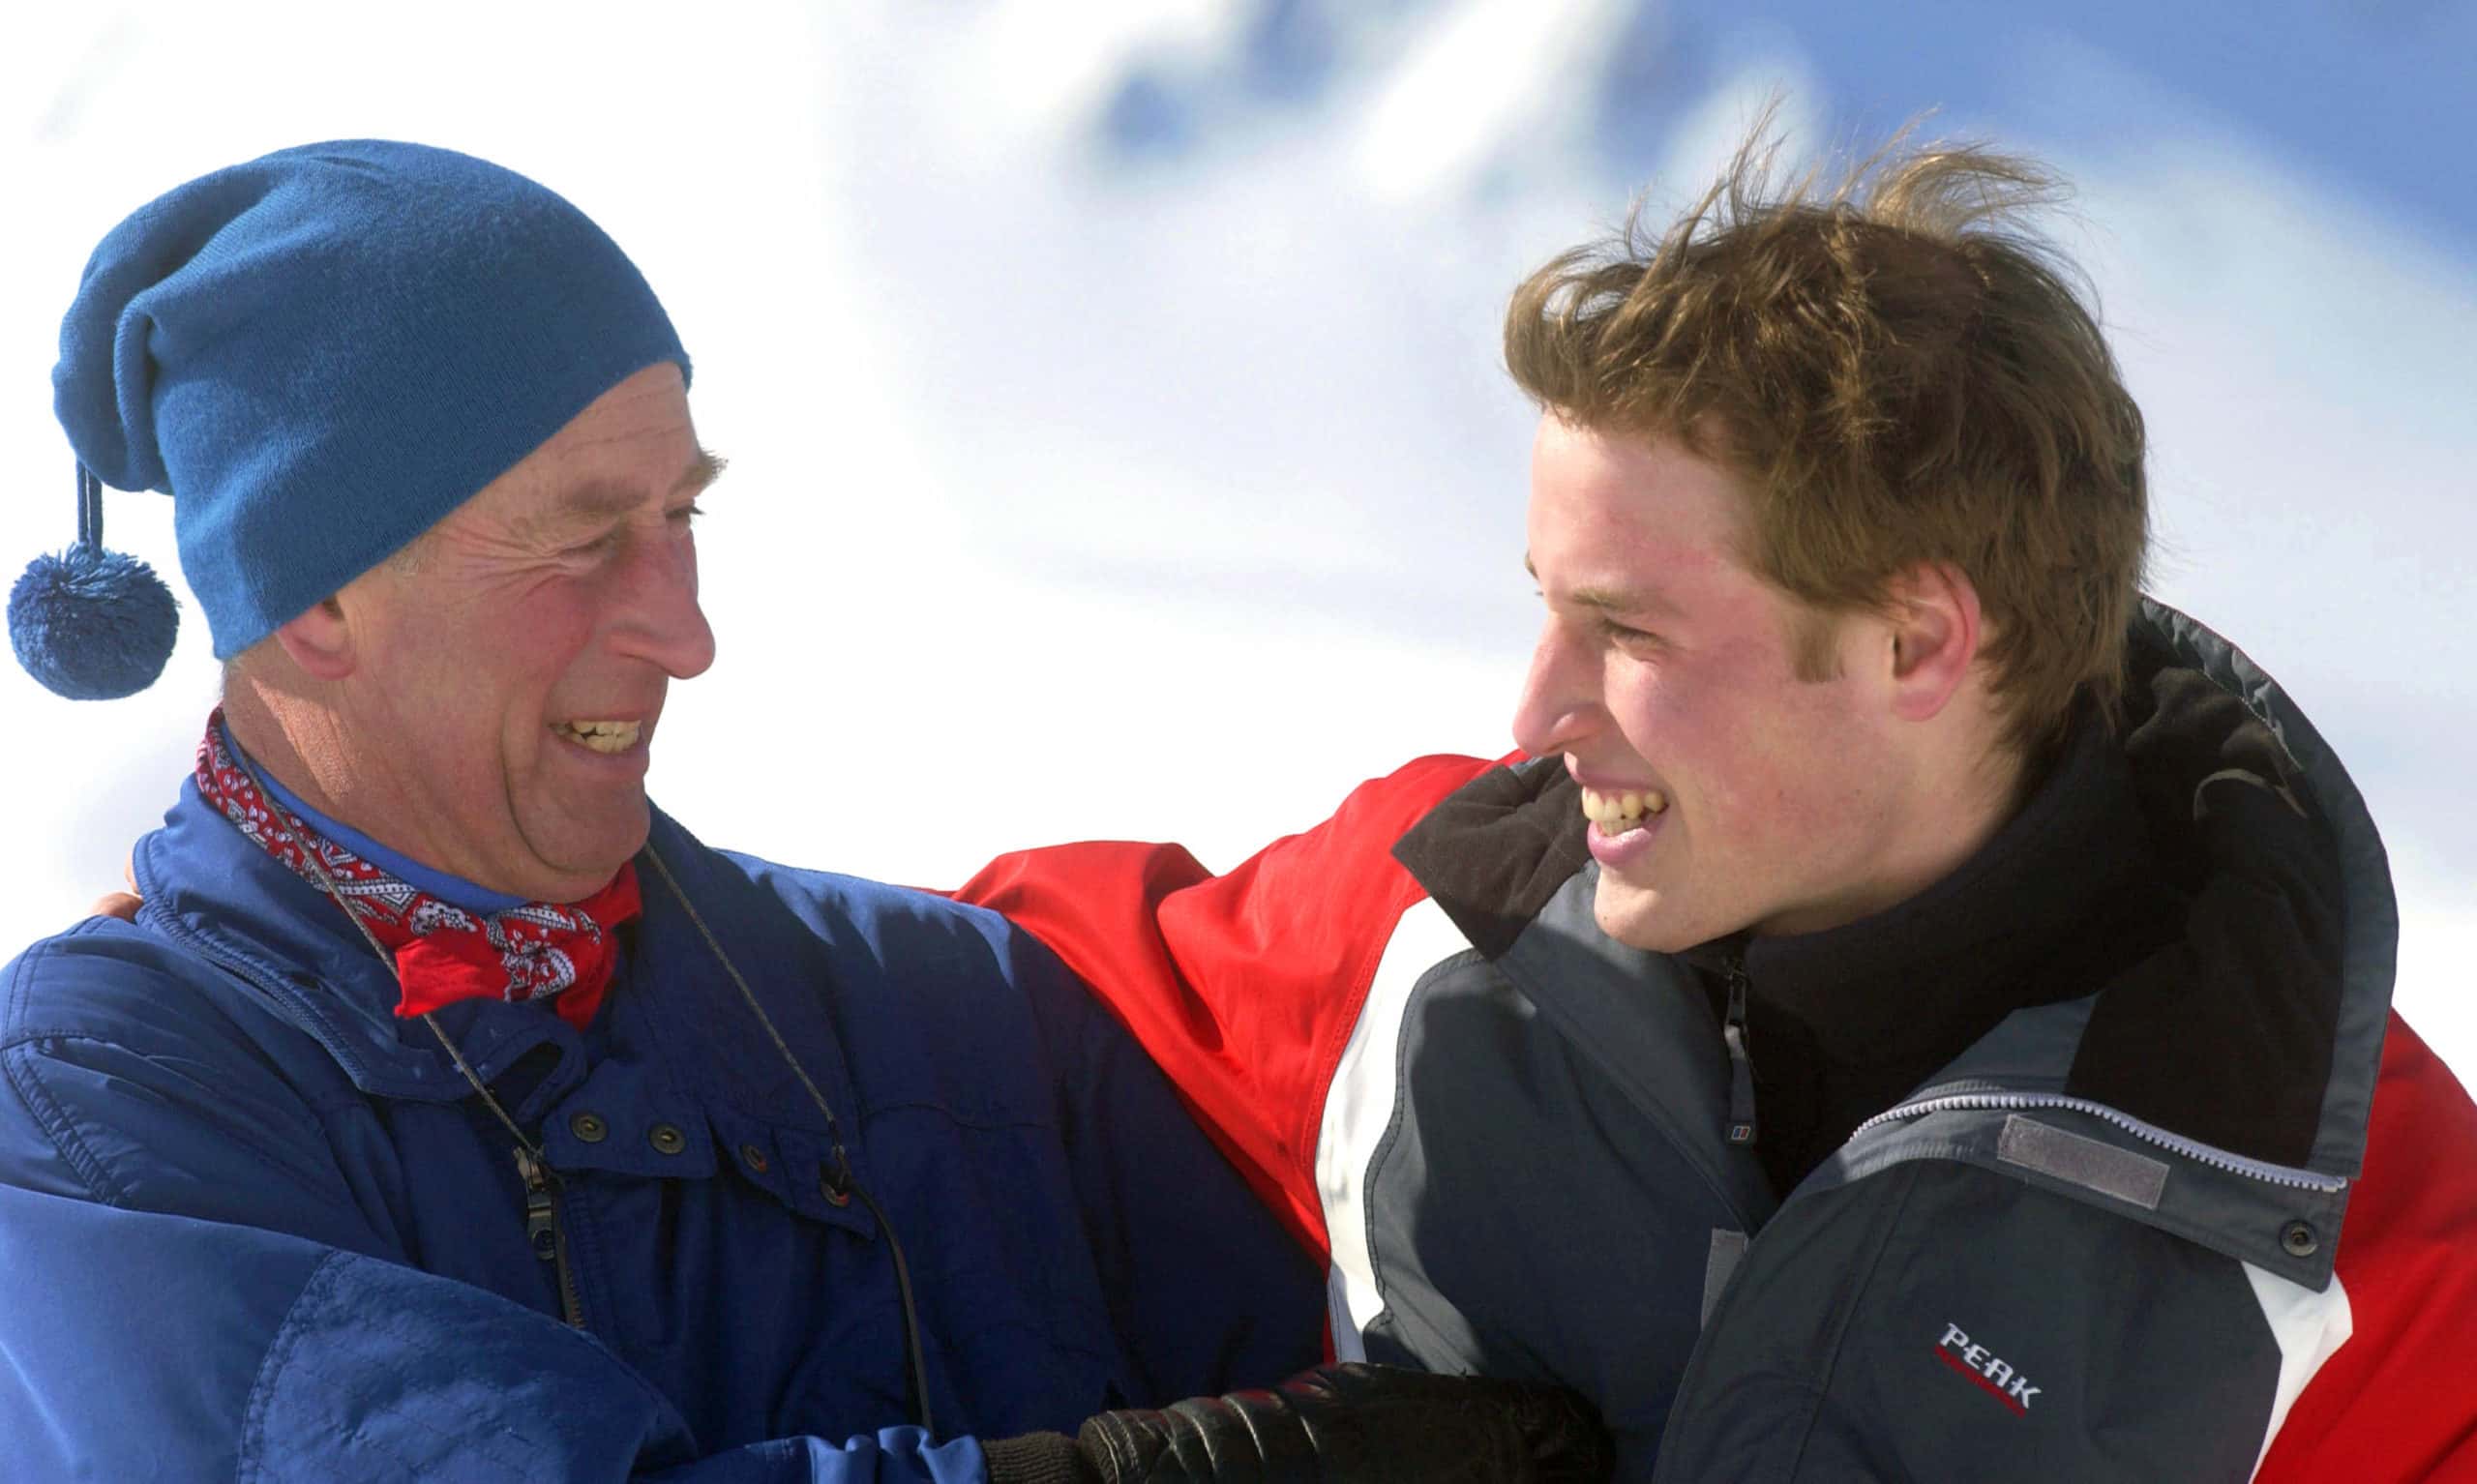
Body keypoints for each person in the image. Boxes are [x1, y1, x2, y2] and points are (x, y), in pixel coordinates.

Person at [0, 141, 1612, 1483]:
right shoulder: (99, 1109)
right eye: (584, 539)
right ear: (315, 603)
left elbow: (1257, 997)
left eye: (680, 516)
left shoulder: (922, 1002)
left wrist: (1608, 833)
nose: (686, 630)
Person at [957, 132, 2477, 1481]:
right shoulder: (1437, 926)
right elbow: (936, 1036)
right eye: (1548, 607)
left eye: (1628, 631)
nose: (1534, 715)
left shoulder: (2340, 1222)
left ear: (1915, 643)